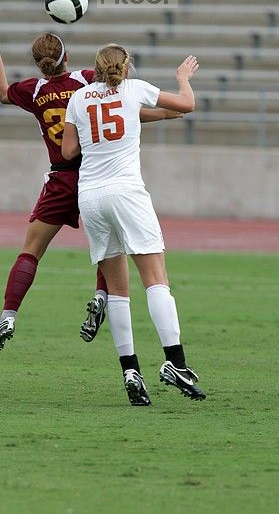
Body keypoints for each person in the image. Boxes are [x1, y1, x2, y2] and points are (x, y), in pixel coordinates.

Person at [0, 33, 179, 350]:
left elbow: (4, 93)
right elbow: (118, 108)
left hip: (61, 180)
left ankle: (8, 315)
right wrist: (164, 113)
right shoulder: (85, 80)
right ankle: (102, 294)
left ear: (38, 63)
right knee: (109, 246)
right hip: (95, 176)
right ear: (67, 56)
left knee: (31, 250)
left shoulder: (34, 89)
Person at [62, 44, 206, 405]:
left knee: (117, 289)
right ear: (126, 69)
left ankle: (130, 370)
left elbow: (68, 152)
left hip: (90, 196)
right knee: (156, 280)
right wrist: (183, 79)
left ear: (95, 69)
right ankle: (177, 363)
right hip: (126, 193)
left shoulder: (78, 98)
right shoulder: (134, 88)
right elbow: (186, 105)